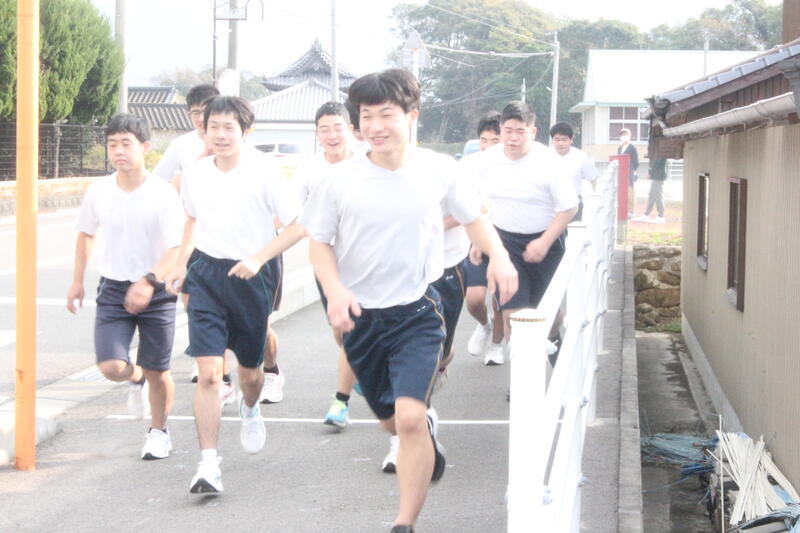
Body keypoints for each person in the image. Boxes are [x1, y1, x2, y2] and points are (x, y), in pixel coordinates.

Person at [304, 69, 518, 533]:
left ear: (411, 115)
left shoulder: (438, 169)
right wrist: (335, 290)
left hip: (417, 312)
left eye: (387, 114)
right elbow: (318, 242)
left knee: (408, 418)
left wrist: (499, 257)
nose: (375, 126)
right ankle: (423, 433)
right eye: (366, 116)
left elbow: (474, 218)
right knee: (391, 423)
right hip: (361, 318)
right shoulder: (337, 181)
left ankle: (404, 523)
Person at [165, 96, 306, 494]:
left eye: (229, 127)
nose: (221, 135)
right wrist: (181, 264)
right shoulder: (195, 173)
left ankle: (250, 407)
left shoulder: (266, 172)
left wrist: (259, 258)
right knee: (210, 373)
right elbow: (191, 219)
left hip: (252, 277)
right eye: (214, 127)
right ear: (203, 130)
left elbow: (298, 226)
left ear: (246, 131)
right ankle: (208, 465)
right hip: (207, 274)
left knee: (250, 373)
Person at [66, 114, 184, 460]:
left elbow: (176, 249)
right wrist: (77, 281)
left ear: (145, 147)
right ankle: (136, 377)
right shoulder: (99, 191)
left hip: (157, 292)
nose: (118, 151)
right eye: (112, 144)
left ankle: (159, 432)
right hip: (114, 290)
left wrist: (149, 281)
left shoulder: (162, 194)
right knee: (111, 366)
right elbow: (86, 234)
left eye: (126, 144)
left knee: (159, 370)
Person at [468, 101, 578, 366]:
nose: (513, 138)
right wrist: (479, 241)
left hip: (545, 244)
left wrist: (544, 242)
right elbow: (479, 202)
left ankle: (554, 341)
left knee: (547, 315)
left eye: (520, 131)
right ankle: (523, 379)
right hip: (505, 246)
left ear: (533, 131)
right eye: (508, 131)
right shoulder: (489, 161)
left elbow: (569, 208)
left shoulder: (548, 162)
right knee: (514, 318)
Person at [293, 101, 359, 429]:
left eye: (338, 128)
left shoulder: (366, 162)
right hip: (327, 261)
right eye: (324, 129)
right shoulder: (309, 170)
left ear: (350, 129)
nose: (332, 135)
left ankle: (340, 401)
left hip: (362, 260)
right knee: (340, 328)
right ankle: (358, 366)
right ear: (317, 134)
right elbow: (295, 217)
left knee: (354, 329)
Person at [462, 111, 506, 363]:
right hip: (477, 240)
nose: (488, 146)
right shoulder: (468, 165)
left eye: (494, 141)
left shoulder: (512, 166)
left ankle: (496, 346)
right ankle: (484, 324)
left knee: (501, 299)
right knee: (474, 299)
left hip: (507, 241)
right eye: (483, 140)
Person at [549, 122, 598, 221]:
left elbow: (593, 180)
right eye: (557, 140)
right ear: (552, 140)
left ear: (571, 140)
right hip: (550, 205)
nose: (560, 143)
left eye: (564, 139)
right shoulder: (545, 156)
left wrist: (598, 202)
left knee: (573, 230)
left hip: (574, 203)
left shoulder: (581, 156)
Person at [633, 157, 667, 223]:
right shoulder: (658, 153)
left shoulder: (660, 153)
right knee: (651, 196)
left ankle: (661, 216)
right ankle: (646, 215)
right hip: (656, 176)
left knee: (658, 196)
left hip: (659, 176)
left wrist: (650, 173)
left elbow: (657, 163)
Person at [617, 127, 639, 218]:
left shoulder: (632, 147)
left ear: (629, 136)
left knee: (630, 192)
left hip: (629, 173)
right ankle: (624, 210)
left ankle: (631, 211)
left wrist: (632, 170)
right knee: (622, 192)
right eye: (622, 135)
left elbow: (636, 162)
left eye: (626, 135)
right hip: (621, 174)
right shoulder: (620, 148)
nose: (624, 137)